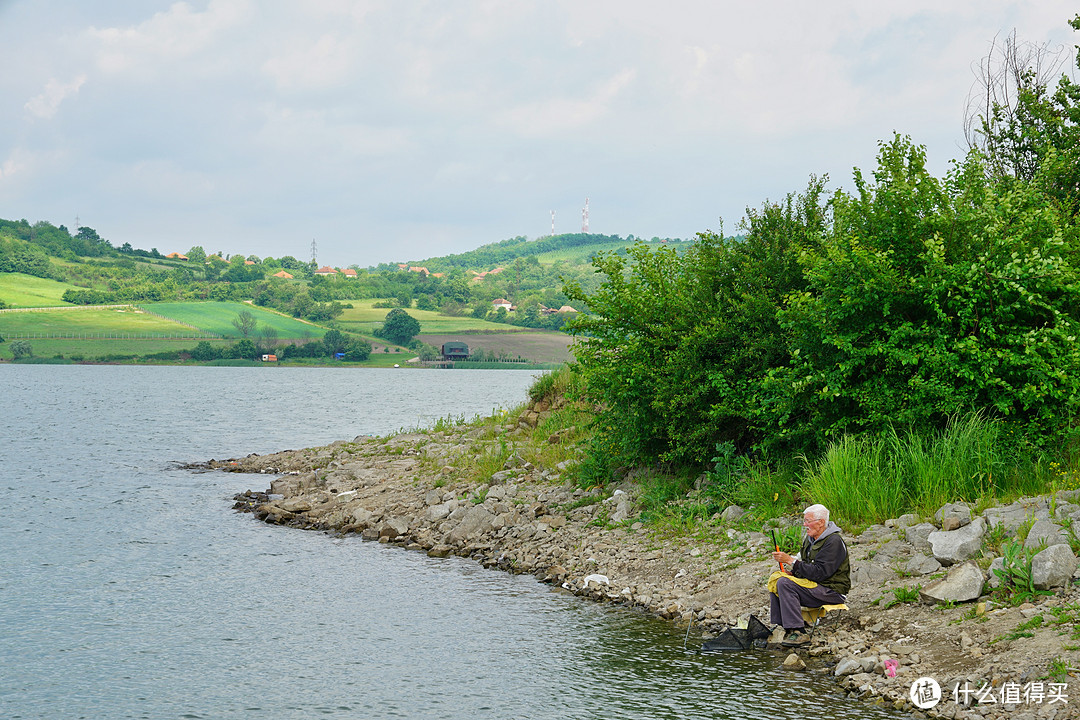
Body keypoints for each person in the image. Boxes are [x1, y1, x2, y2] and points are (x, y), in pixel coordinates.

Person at [768, 504, 850, 648]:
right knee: (777, 579)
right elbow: (806, 566)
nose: (805, 525)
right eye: (804, 521)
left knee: (784, 584)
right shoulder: (810, 539)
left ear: (821, 522)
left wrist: (790, 561)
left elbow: (820, 573)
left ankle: (799, 632)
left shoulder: (834, 541)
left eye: (808, 521)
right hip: (815, 587)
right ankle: (785, 627)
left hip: (831, 591)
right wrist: (792, 573)